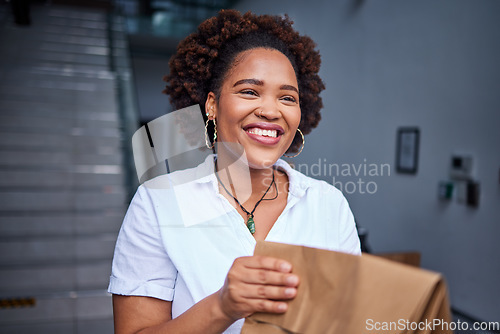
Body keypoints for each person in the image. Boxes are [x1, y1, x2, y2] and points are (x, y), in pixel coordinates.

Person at [109, 9, 361, 334]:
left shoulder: (329, 204)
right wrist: (222, 307)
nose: (271, 110)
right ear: (212, 105)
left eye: (287, 97)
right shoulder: (158, 203)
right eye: (249, 91)